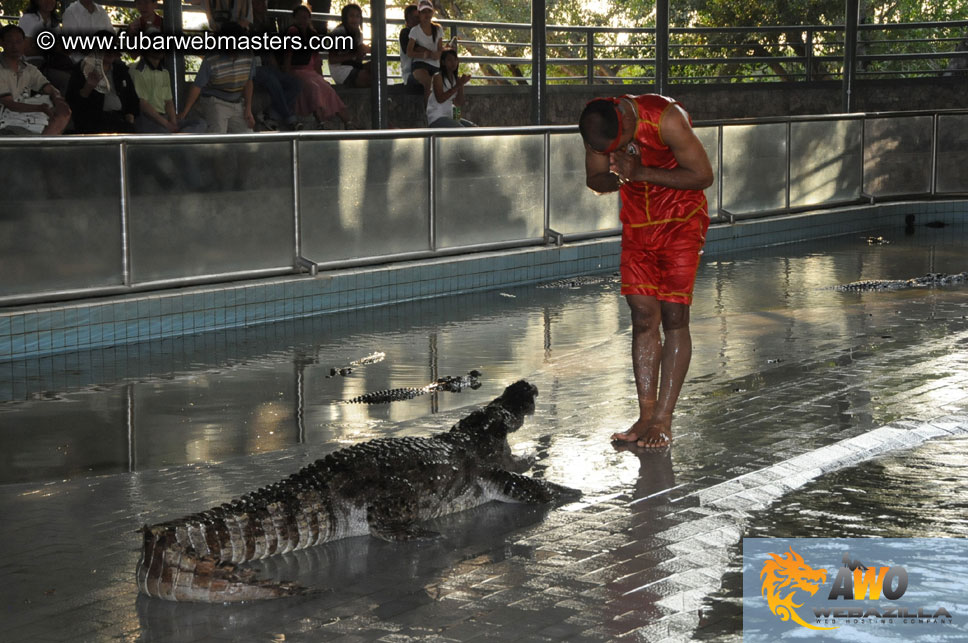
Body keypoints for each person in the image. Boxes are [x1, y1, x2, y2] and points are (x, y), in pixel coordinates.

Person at [579, 94, 713, 449]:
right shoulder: (598, 123)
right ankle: (645, 415)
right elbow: (596, 179)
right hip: (638, 225)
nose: (608, 152)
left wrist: (640, 173)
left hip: (681, 223)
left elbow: (702, 175)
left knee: (673, 315)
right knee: (641, 315)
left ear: (626, 126)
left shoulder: (666, 120)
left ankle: (664, 419)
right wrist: (618, 177)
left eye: (617, 147)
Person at [178, 21, 257, 133]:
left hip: (238, 102)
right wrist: (185, 112)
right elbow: (197, 85)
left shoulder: (248, 55)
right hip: (215, 101)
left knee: (248, 138)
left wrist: (248, 108)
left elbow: (249, 81)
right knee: (218, 135)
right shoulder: (212, 58)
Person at [285, 3, 351, 127]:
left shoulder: (312, 34)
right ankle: (322, 121)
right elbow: (289, 55)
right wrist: (287, 75)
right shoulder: (292, 32)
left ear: (309, 18)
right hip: (297, 71)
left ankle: (348, 121)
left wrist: (321, 78)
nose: (302, 21)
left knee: (328, 90)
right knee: (313, 88)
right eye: (299, 17)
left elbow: (316, 59)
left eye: (305, 17)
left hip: (311, 73)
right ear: (294, 19)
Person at [0, 24, 71, 135]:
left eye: (19, 42)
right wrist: (40, 108)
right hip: (5, 123)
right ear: (2, 43)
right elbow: (9, 104)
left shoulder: (29, 69)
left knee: (63, 114)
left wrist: (58, 99)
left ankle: (40, 148)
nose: (15, 46)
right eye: (10, 42)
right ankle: (39, 148)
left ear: (24, 43)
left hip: (23, 119)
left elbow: (49, 88)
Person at [66, 31, 140, 133]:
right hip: (93, 124)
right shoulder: (83, 68)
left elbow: (133, 99)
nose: (110, 52)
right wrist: (87, 88)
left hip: (120, 121)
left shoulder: (120, 69)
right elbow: (73, 103)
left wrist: (130, 117)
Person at [250, 0, 301, 130]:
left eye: (262, 3)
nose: (261, 6)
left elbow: (270, 51)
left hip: (267, 65)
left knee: (295, 83)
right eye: (257, 3)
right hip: (253, 66)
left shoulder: (267, 25)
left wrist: (278, 69)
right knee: (272, 80)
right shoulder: (247, 25)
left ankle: (270, 114)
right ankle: (290, 117)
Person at [130, 47, 206, 133]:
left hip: (164, 118)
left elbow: (168, 101)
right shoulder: (137, 70)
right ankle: (177, 140)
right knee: (164, 133)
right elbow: (143, 105)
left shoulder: (164, 71)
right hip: (146, 119)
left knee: (200, 123)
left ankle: (179, 138)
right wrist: (167, 124)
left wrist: (173, 123)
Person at [18, 0, 72, 93]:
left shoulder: (54, 21)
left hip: (51, 63)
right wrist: (51, 48)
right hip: (32, 63)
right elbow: (26, 50)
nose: (49, 1)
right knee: (66, 79)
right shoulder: (28, 19)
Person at [426, 49, 473, 127]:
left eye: (455, 60)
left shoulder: (456, 79)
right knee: (462, 130)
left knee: (474, 128)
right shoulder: (438, 77)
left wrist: (461, 85)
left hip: (450, 116)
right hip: (437, 117)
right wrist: (458, 85)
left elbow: (458, 103)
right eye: (449, 60)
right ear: (443, 62)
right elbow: (440, 99)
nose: (453, 63)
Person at [405, 0, 441, 101]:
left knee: (442, 85)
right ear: (419, 14)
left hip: (435, 65)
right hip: (420, 64)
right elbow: (409, 52)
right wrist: (423, 55)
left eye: (429, 11)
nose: (426, 15)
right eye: (424, 12)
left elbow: (440, 49)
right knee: (428, 82)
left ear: (432, 13)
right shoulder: (415, 30)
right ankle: (429, 113)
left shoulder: (438, 29)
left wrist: (438, 55)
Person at [327, 3, 370, 88]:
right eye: (351, 16)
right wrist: (355, 54)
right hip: (341, 71)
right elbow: (332, 59)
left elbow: (357, 61)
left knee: (377, 67)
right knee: (370, 78)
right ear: (345, 18)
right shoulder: (339, 33)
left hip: (353, 67)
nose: (355, 19)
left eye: (357, 16)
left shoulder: (359, 34)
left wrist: (364, 52)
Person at [397, 4, 422, 92]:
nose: (418, 21)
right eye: (415, 18)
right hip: (411, 75)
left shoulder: (423, 35)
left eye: (419, 18)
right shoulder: (405, 33)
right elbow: (415, 50)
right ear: (407, 20)